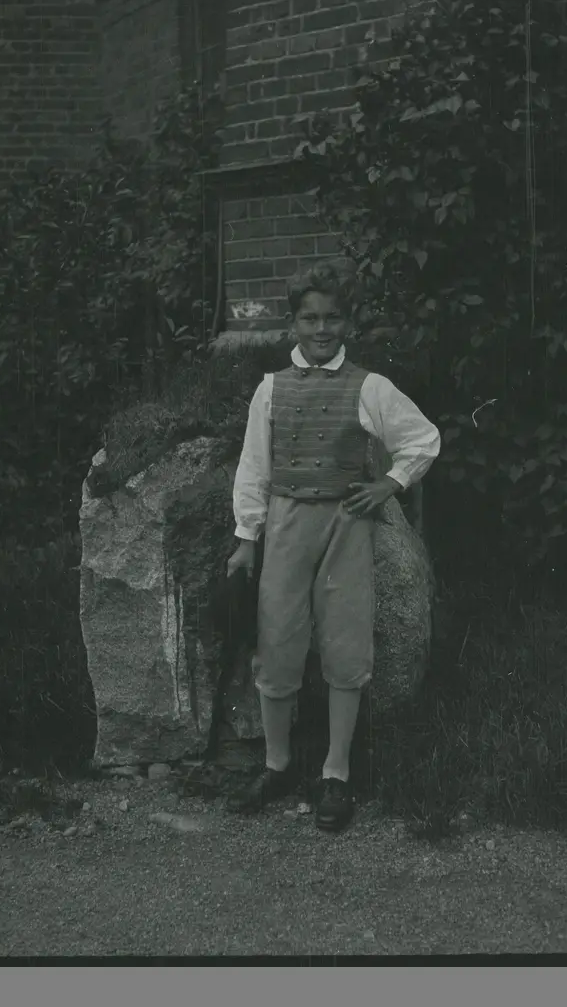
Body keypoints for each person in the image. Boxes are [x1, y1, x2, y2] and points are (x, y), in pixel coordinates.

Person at [225, 260, 440, 832]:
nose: (321, 329)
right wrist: (246, 538)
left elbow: (423, 440)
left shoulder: (369, 387)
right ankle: (277, 764)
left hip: (347, 524)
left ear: (347, 323)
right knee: (277, 638)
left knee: (346, 642)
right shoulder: (270, 389)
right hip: (286, 523)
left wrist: (389, 484)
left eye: (332, 318)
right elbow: (253, 468)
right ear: (293, 324)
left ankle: (336, 773)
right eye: (310, 318)